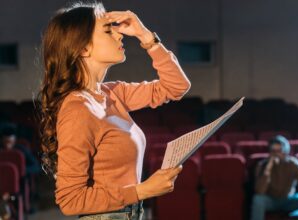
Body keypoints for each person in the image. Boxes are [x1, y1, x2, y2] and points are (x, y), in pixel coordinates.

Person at [37, 2, 191, 219]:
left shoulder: (112, 93)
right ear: (83, 48)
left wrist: (146, 36)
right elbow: (70, 201)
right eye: (108, 31)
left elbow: (177, 87)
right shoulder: (78, 110)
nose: (120, 36)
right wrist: (143, 190)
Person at [251, 135, 298, 220]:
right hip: (270, 200)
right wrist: (268, 169)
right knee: (257, 199)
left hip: (288, 199)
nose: (276, 154)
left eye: (279, 151)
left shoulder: (295, 165)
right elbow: (260, 191)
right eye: (273, 151)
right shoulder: (262, 165)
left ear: (286, 152)